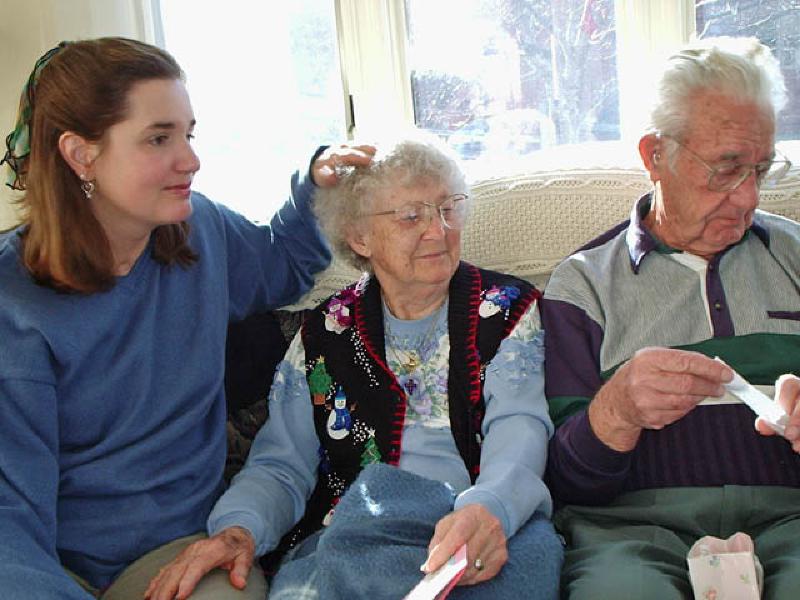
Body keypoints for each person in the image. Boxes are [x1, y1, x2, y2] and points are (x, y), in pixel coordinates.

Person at [0, 37, 374, 600]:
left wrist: (318, 184)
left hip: (178, 553)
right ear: (82, 155)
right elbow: (9, 512)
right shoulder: (13, 306)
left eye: (188, 134)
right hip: (40, 562)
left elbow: (284, 262)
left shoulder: (199, 230)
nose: (191, 160)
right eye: (158, 138)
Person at [145, 135, 563, 599]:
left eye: (448, 209)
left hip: (482, 525)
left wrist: (492, 508)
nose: (438, 230)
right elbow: (281, 466)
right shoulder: (323, 335)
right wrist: (238, 530)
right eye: (411, 215)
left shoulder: (505, 310)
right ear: (359, 236)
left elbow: (520, 426)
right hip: (359, 532)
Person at [540, 36, 800, 598]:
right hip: (632, 531)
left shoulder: (796, 254)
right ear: (655, 155)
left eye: (761, 169)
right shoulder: (582, 284)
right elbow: (563, 481)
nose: (748, 197)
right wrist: (616, 413)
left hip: (793, 519)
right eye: (727, 170)